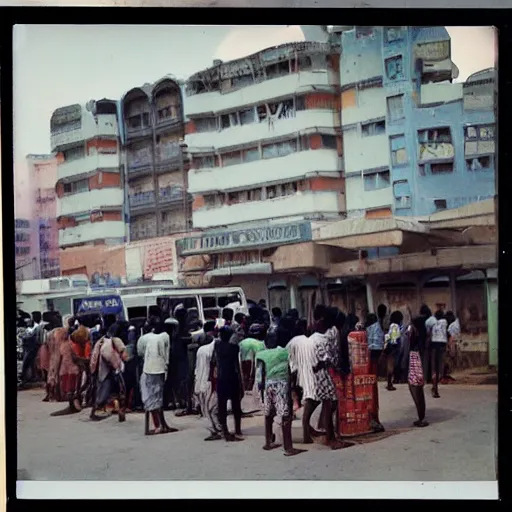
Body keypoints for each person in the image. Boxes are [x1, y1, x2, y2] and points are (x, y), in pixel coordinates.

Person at [256, 338, 306, 457]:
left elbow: (259, 375)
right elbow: (293, 370)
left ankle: (268, 442)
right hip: (282, 384)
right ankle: (288, 447)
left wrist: (261, 391)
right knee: (286, 416)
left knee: (269, 414)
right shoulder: (285, 352)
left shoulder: (261, 354)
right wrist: (293, 390)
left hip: (268, 385)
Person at [310, 306, 344, 450]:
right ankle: (331, 438)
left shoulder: (318, 335)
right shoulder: (321, 337)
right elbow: (330, 357)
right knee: (329, 403)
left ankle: (326, 432)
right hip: (321, 372)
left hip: (320, 371)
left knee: (327, 403)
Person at [138, 318, 178, 435]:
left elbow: (140, 352)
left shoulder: (144, 338)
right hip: (157, 369)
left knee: (153, 397)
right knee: (156, 398)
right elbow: (166, 355)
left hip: (147, 369)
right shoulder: (165, 336)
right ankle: (160, 426)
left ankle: (161, 425)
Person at [89, 322, 129, 422]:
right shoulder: (117, 340)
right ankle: (120, 410)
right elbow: (125, 356)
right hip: (112, 369)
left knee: (101, 389)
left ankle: (98, 409)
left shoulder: (101, 340)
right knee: (119, 390)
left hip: (100, 369)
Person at [50, 322, 92, 416]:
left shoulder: (65, 344)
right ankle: (73, 406)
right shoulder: (71, 344)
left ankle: (73, 406)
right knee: (74, 388)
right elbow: (75, 358)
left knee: (71, 388)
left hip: (67, 370)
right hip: (73, 369)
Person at [212, 326, 244, 441]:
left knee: (222, 406)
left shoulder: (217, 346)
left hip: (221, 377)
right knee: (236, 405)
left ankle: (224, 429)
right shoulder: (234, 348)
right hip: (232, 376)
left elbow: (214, 361)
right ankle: (238, 429)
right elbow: (236, 364)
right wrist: (241, 381)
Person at [195, 321, 222, 440]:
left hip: (206, 382)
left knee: (208, 408)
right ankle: (217, 429)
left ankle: (216, 430)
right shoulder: (215, 346)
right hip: (208, 381)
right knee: (211, 408)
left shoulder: (203, 349)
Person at [402, 317, 429, 427]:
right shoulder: (422, 337)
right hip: (418, 365)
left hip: (415, 365)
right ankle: (421, 416)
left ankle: (421, 417)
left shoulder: (415, 337)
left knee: (415, 390)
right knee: (418, 391)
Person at [383, 311, 404, 391]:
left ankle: (389, 382)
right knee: (391, 364)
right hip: (393, 347)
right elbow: (394, 339)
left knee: (390, 364)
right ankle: (389, 383)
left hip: (391, 346)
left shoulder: (392, 325)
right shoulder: (395, 326)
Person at [430, 310, 448, 398]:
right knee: (440, 368)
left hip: (434, 345)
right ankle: (435, 388)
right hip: (442, 345)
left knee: (434, 368)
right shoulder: (444, 322)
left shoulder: (432, 322)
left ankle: (434, 387)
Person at [442, 311, 460, 383]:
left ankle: (445, 375)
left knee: (446, 360)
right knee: (448, 360)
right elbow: (451, 338)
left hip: (444, 343)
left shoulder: (447, 324)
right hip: (448, 343)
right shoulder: (452, 325)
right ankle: (445, 375)